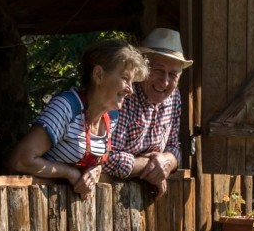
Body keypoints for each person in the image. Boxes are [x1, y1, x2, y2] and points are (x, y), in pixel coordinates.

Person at [8, 40, 149, 198]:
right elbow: (21, 160)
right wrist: (70, 173)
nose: (130, 90)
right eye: (125, 78)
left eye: (132, 82)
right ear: (98, 75)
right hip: (35, 203)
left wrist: (97, 169)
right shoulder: (66, 107)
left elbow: (99, 161)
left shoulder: (112, 117)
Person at [102, 28, 191, 196]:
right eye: (158, 70)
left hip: (144, 198)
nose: (165, 82)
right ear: (142, 69)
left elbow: (173, 147)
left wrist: (167, 161)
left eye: (172, 74)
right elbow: (106, 159)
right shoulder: (125, 94)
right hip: (106, 194)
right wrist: (151, 165)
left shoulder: (174, 97)